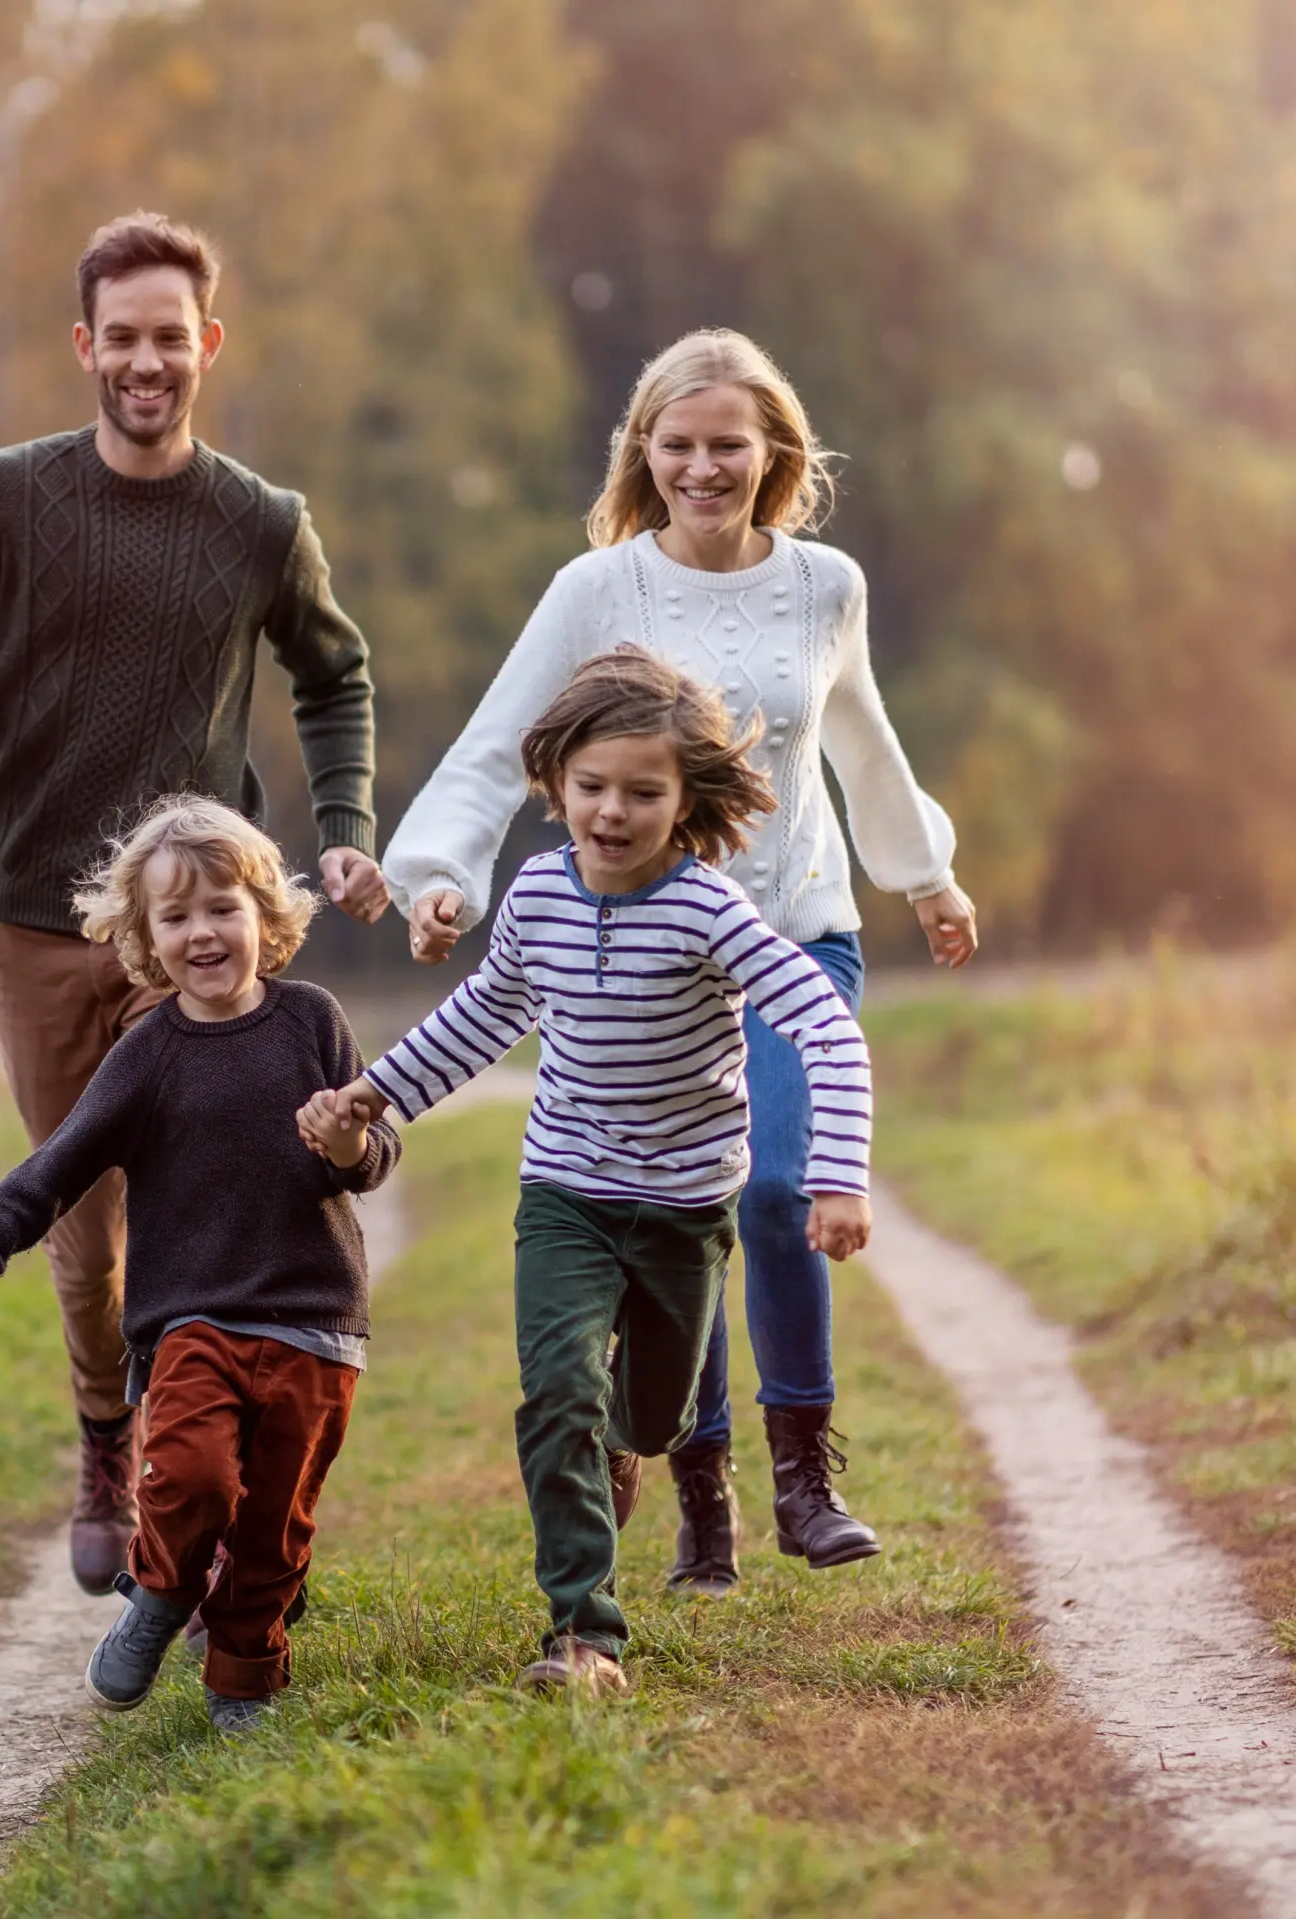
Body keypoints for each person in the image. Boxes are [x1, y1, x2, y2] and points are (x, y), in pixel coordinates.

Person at [379, 329, 976, 1592]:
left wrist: (925, 875)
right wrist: (439, 874)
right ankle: (703, 1491)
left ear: (774, 454)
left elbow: (860, 739)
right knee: (678, 1205)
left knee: (773, 1186)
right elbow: (502, 742)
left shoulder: (827, 584)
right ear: (643, 451)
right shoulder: (599, 588)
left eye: (728, 445)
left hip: (797, 926)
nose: (704, 467)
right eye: (679, 444)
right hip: (650, 944)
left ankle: (805, 1471)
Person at [0, 211, 388, 1595]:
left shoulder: (262, 522)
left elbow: (335, 675)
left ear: (206, 345)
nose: (147, 361)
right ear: (84, 345)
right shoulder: (5, 496)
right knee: (85, 1224)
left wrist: (341, 831)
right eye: (124, 337)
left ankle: (187, 1449)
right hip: (40, 919)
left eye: (173, 337)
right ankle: (109, 1430)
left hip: (194, 932)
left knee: (207, 1203)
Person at [305, 650, 873, 1695]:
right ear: (555, 779)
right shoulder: (536, 892)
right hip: (565, 1190)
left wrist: (837, 1174)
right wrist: (373, 1094)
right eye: (593, 785)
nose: (613, 811)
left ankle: (630, 1450)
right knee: (557, 1390)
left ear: (686, 797)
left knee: (649, 1419)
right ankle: (584, 1634)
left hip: (685, 1202)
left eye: (644, 791)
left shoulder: (709, 910)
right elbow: (484, 1015)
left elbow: (825, 1029)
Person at [0, 798, 397, 1735]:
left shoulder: (312, 1021)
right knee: (191, 1478)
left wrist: (346, 1145)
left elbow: (376, 1158)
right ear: (144, 938)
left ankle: (242, 1679)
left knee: (275, 1527)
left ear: (267, 915)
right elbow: (56, 1166)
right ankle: (162, 1596)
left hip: (316, 1322)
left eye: (223, 906)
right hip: (192, 1321)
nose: (202, 932)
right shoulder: (149, 1054)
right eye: (174, 917)